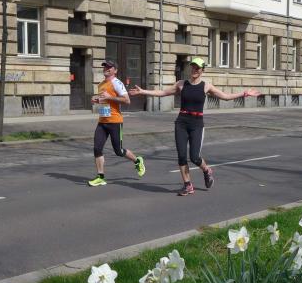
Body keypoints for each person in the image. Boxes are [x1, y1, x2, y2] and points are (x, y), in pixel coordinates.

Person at [130, 57, 258, 196]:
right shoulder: (181, 84)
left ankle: (207, 170)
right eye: (193, 67)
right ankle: (188, 185)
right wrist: (143, 91)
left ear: (202, 70)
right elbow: (163, 93)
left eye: (197, 68)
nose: (194, 70)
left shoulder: (206, 86)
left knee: (194, 157)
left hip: (196, 124)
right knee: (181, 156)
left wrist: (244, 93)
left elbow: (225, 96)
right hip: (181, 123)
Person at [87, 60, 146, 187]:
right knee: (97, 148)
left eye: (109, 67)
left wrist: (109, 97)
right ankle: (100, 177)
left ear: (115, 70)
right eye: (105, 67)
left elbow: (127, 100)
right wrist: (96, 100)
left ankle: (137, 160)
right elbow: (105, 101)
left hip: (115, 121)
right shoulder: (101, 84)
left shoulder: (117, 83)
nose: (106, 69)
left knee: (118, 151)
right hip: (102, 121)